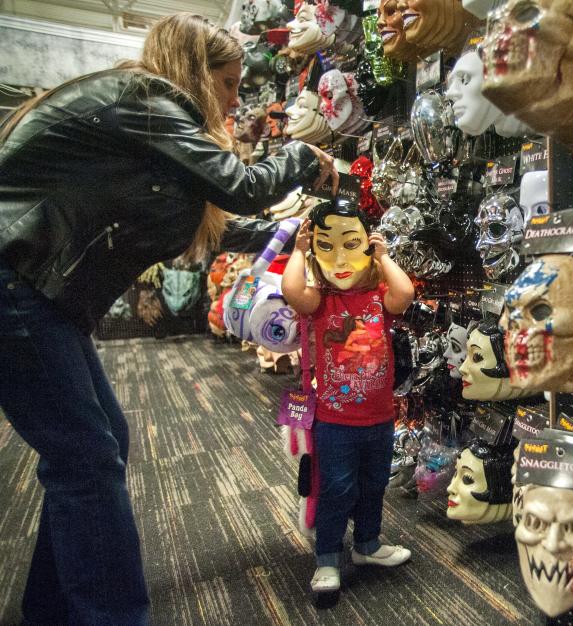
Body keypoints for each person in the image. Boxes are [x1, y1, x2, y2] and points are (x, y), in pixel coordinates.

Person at [0, 13, 338, 625]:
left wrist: (291, 230)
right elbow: (238, 186)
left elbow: (207, 227)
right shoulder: (148, 100)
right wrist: (300, 157)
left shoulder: (144, 121)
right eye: (230, 83)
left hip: (38, 291)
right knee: (86, 459)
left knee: (97, 447)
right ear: (196, 72)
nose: (235, 100)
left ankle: (51, 611)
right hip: (17, 283)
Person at [281, 200, 414, 594]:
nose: (340, 259)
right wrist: (301, 250)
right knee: (337, 488)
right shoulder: (320, 300)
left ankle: (367, 544)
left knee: (374, 485)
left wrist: (384, 255)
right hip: (335, 421)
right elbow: (291, 289)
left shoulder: (377, 297)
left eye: (351, 245)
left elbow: (404, 292)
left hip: (380, 417)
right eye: (329, 248)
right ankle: (327, 557)